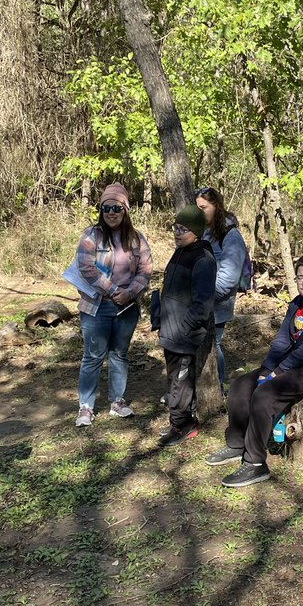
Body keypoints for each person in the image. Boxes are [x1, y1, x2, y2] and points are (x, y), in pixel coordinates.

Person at [205, 254, 303, 487]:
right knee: (241, 385)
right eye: (300, 277)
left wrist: (275, 374)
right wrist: (267, 368)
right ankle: (236, 443)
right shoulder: (297, 304)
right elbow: (282, 340)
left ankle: (255, 463)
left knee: (265, 395)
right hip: (290, 362)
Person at [72, 183, 153, 426]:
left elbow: (146, 270)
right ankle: (85, 407)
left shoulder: (136, 239)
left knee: (119, 354)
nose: (111, 212)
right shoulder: (91, 235)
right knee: (93, 356)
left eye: (117, 207)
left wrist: (130, 293)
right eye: (106, 207)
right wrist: (115, 290)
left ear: (125, 210)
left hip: (126, 308)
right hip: (96, 306)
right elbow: (85, 267)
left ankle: (117, 401)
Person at [154, 205, 217, 448]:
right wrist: (159, 317)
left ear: (197, 232)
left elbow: (203, 303)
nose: (177, 233)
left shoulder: (203, 259)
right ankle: (180, 419)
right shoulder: (180, 251)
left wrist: (185, 326)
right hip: (169, 329)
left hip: (183, 333)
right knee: (174, 377)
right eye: (176, 227)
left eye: (184, 229)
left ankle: (182, 425)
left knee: (179, 380)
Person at [197, 187, 249, 391]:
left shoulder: (230, 235)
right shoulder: (202, 231)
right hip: (199, 301)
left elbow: (228, 278)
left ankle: (216, 388)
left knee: (213, 345)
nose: (199, 212)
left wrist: (203, 295)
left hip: (218, 303)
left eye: (204, 207)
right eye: (196, 207)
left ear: (216, 206)